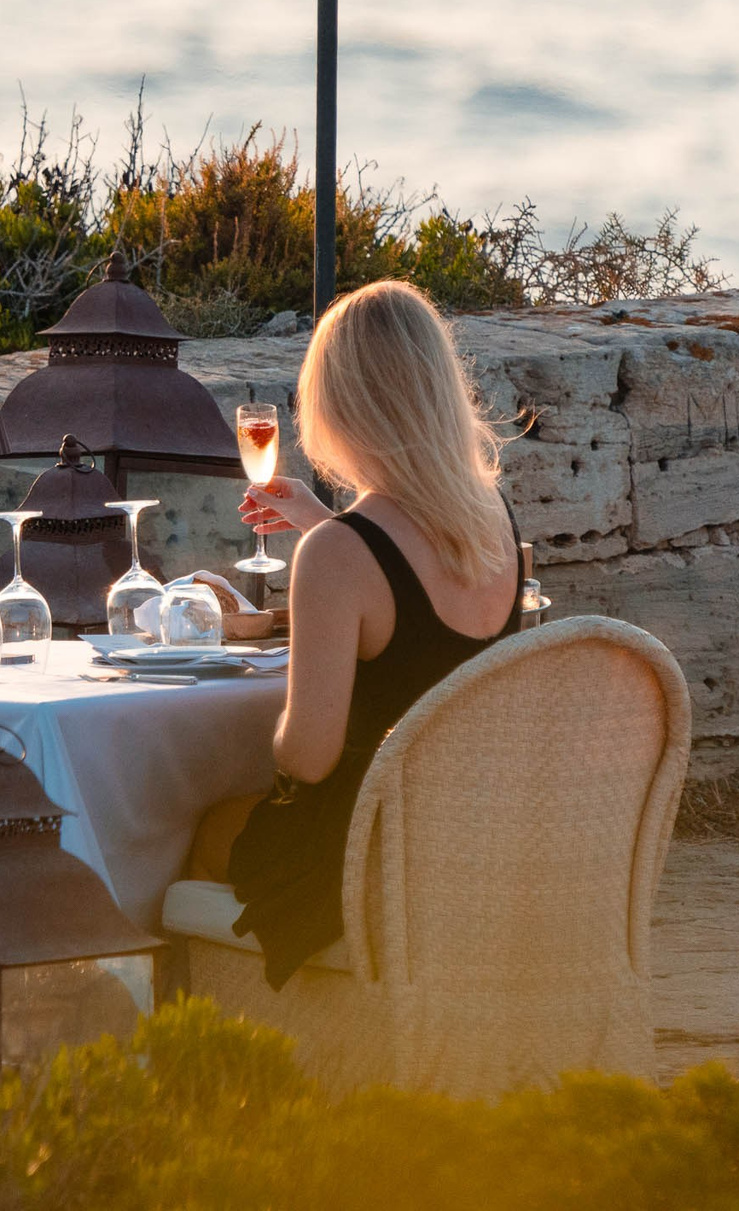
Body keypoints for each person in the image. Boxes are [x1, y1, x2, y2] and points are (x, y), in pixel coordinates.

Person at [211, 279, 521, 986]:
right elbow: (413, 600)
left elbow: (309, 759)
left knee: (195, 832)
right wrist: (325, 522)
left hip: (371, 851)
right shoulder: (494, 521)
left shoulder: (336, 558)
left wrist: (274, 726)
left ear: (339, 404)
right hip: (472, 841)